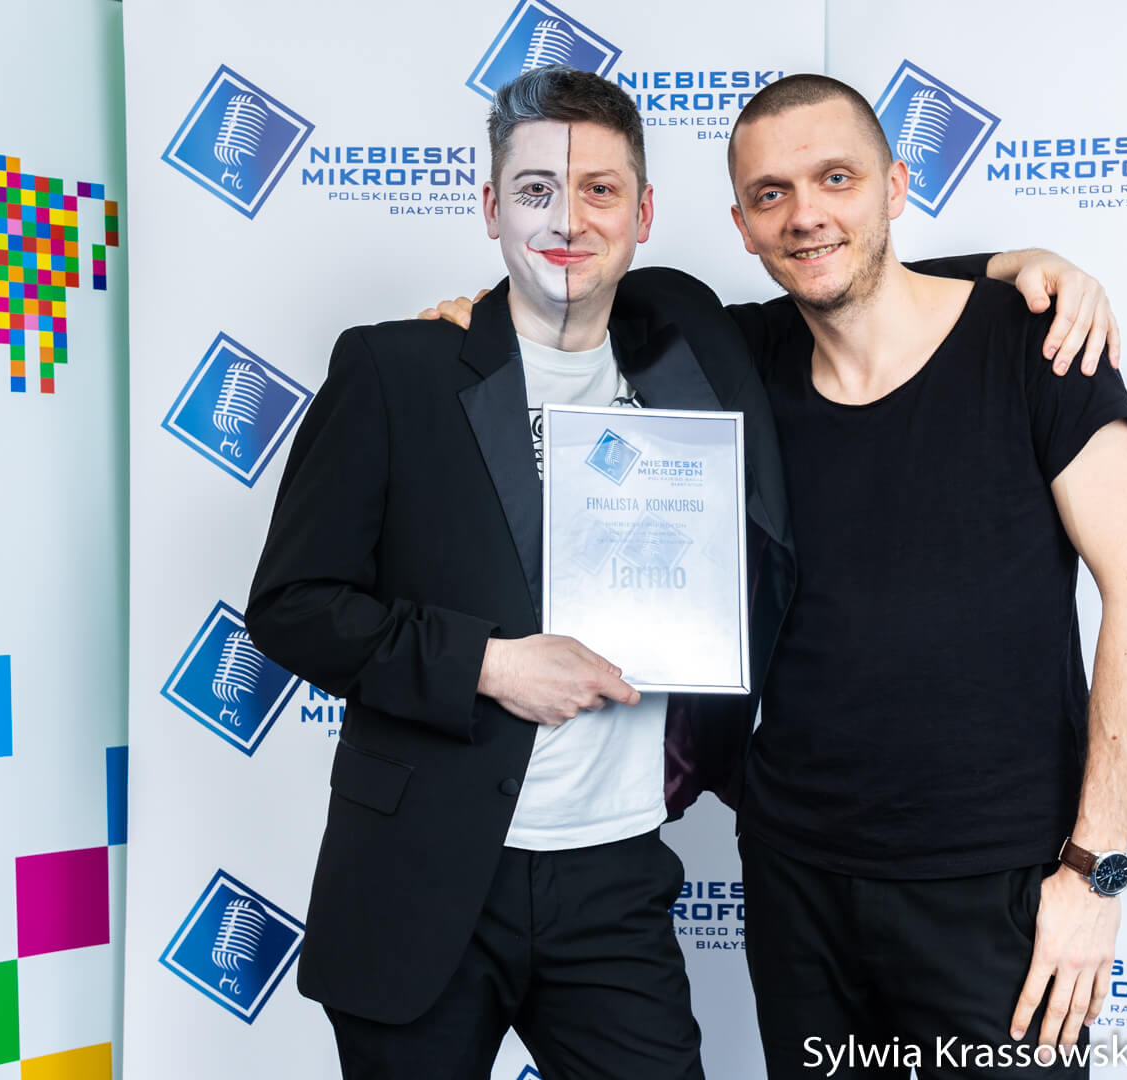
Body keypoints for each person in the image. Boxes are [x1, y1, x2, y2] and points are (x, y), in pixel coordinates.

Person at [244, 67, 776, 1079]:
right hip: (421, 872)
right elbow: (291, 608)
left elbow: (849, 296)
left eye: (599, 190)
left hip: (616, 876)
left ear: (644, 214)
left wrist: (1019, 267)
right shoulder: (394, 372)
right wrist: (490, 664)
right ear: (493, 208)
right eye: (537, 189)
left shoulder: (695, 370)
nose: (567, 219)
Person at [719, 75, 1127, 1078]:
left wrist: (1094, 874)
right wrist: (472, 316)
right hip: (798, 883)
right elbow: (594, 310)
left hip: (999, 892)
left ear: (896, 185)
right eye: (770, 194)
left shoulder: (1036, 341)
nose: (804, 214)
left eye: (836, 178)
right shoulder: (744, 359)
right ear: (743, 226)